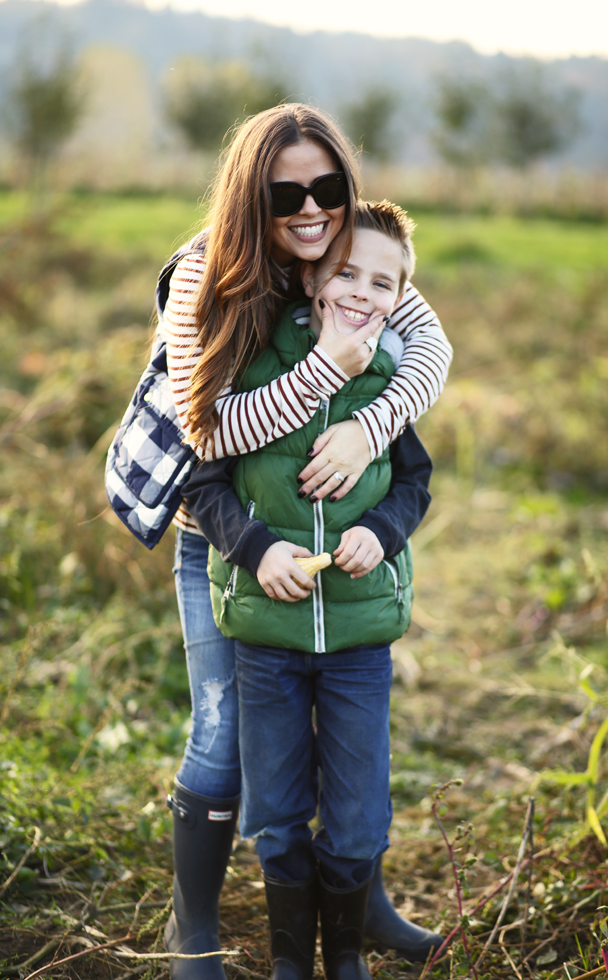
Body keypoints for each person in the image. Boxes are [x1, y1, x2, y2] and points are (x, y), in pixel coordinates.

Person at [160, 104, 452, 978]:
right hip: (232, 534)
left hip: (340, 564)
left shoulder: (348, 256)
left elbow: (430, 351)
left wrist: (372, 427)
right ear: (253, 193)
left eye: (327, 186)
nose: (311, 206)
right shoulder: (202, 273)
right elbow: (207, 440)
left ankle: (363, 909)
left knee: (351, 767)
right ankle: (194, 931)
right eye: (288, 191)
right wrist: (331, 369)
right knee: (226, 744)